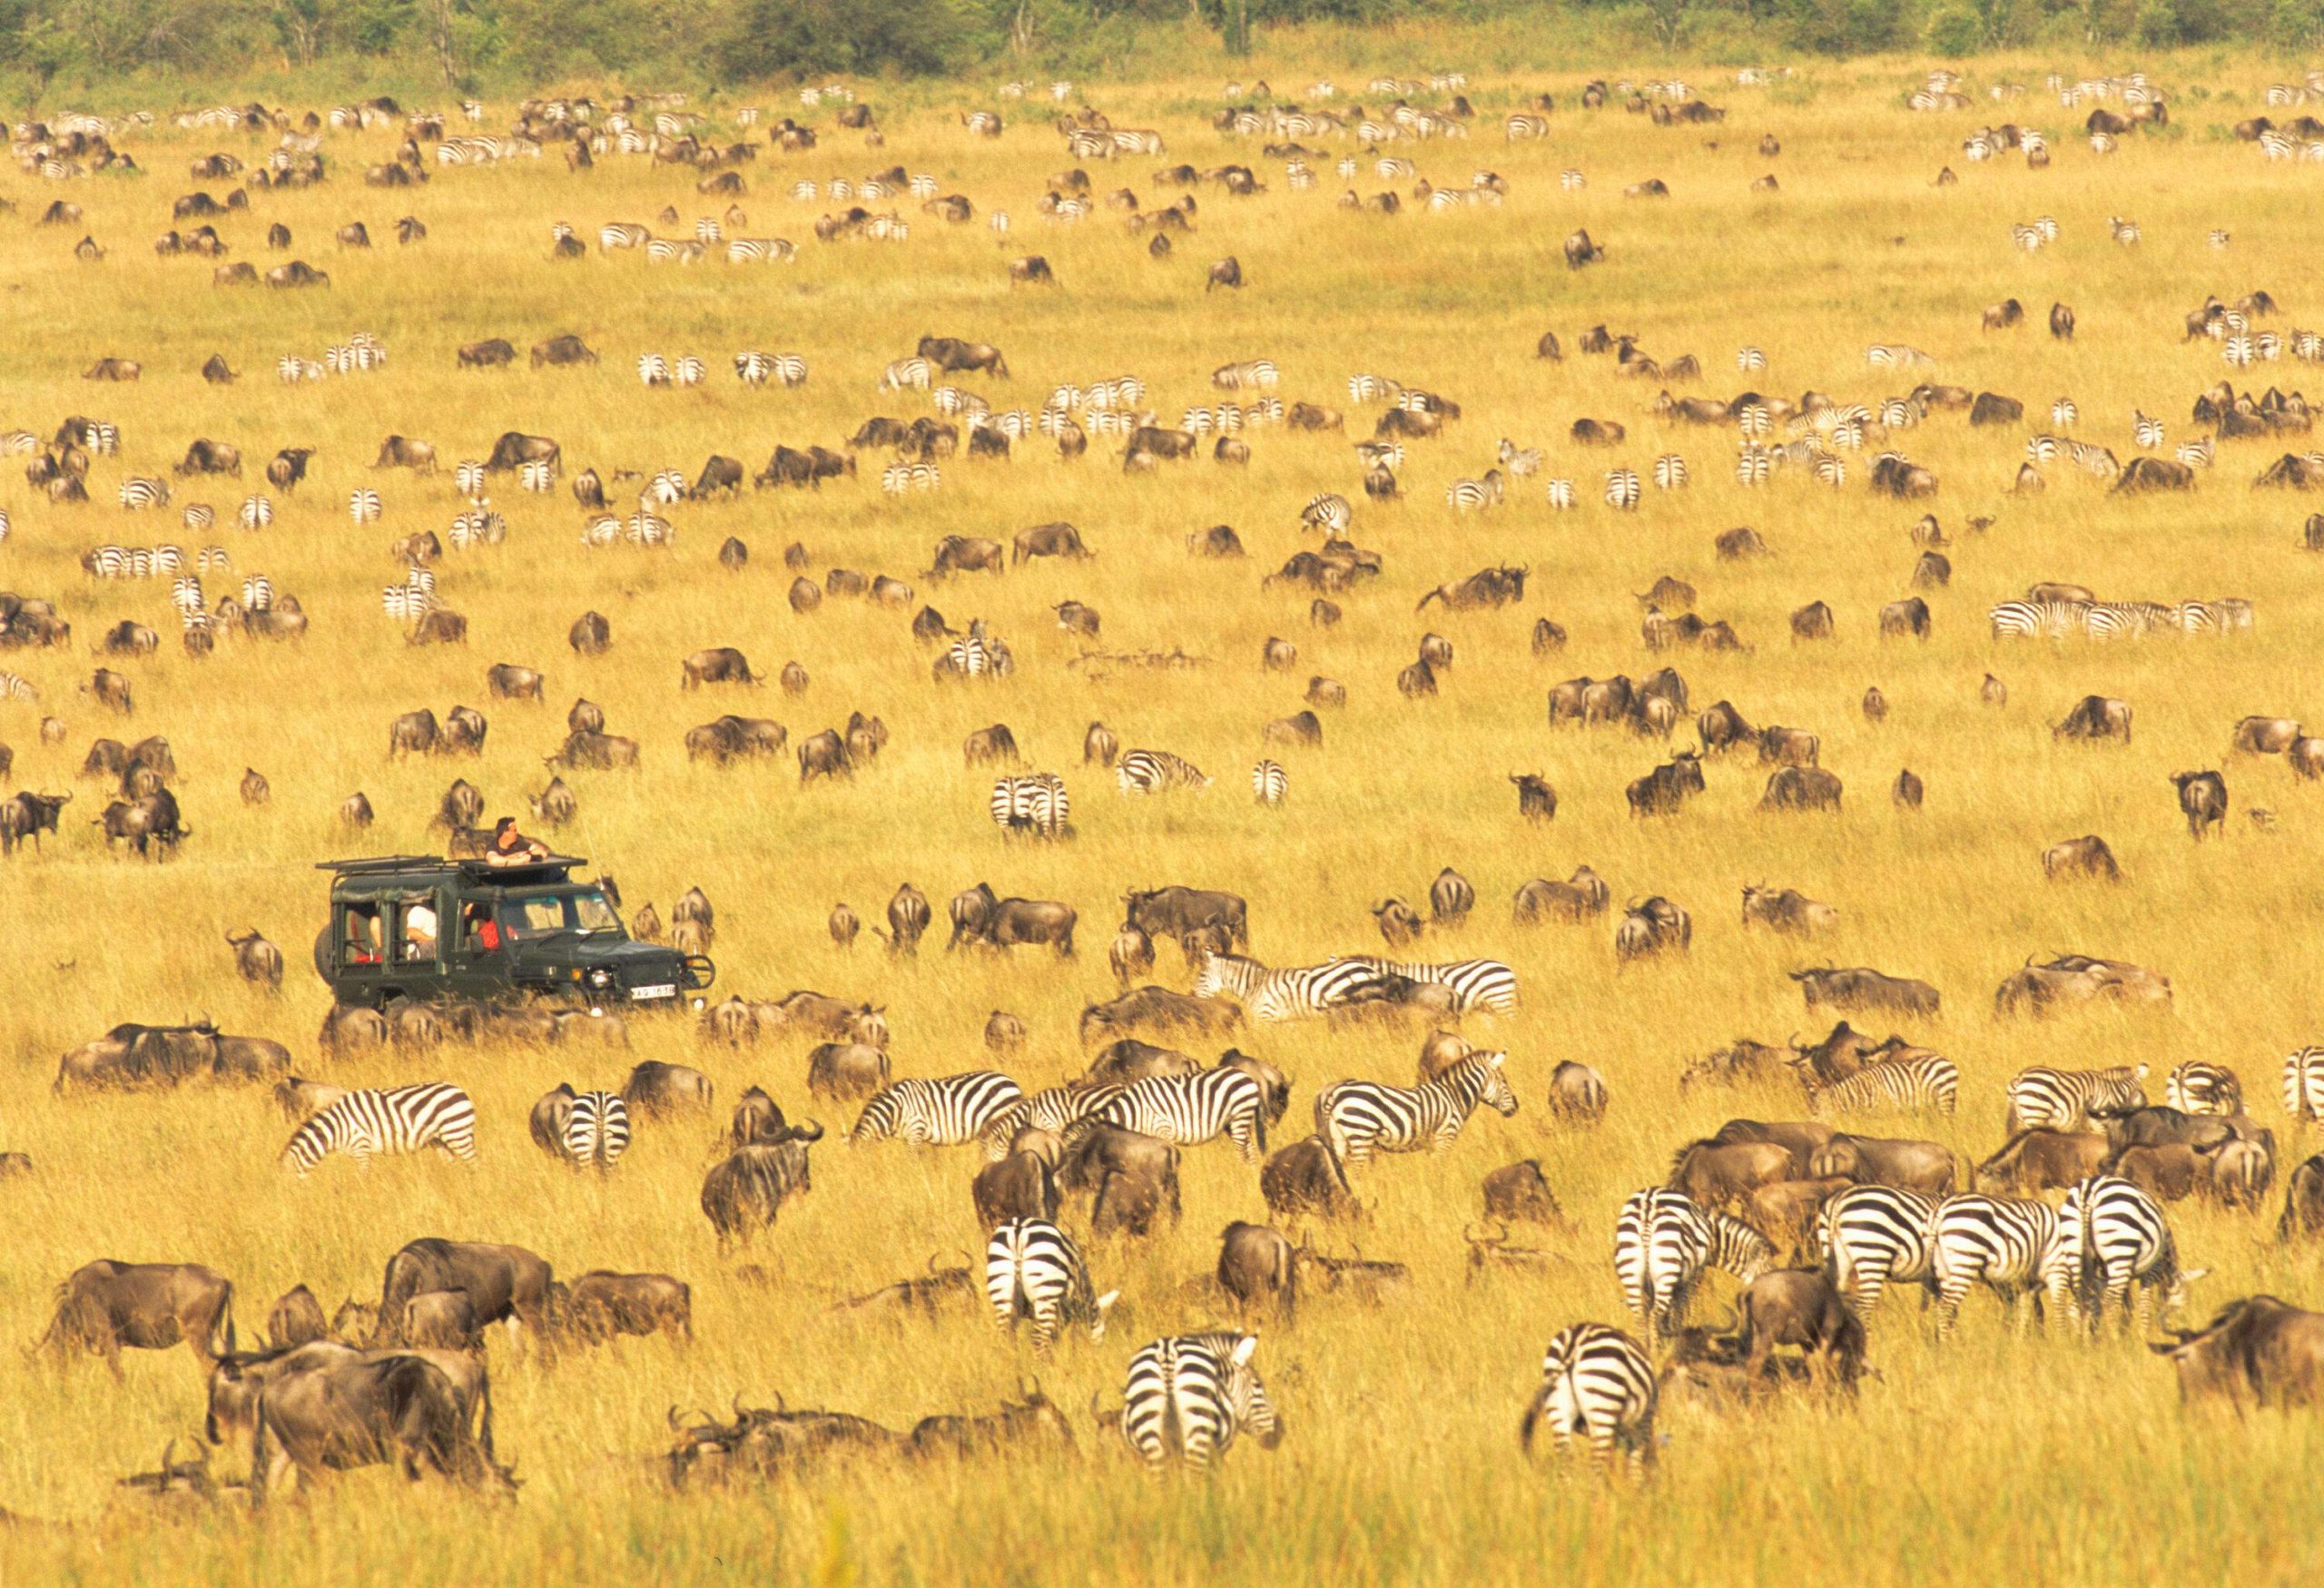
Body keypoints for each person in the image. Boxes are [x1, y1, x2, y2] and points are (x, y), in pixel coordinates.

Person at [483, 815, 549, 866]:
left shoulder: (517, 842)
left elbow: (542, 851)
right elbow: (493, 861)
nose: (517, 833)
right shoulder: (493, 846)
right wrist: (519, 860)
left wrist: (524, 853)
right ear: (505, 833)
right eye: (514, 831)